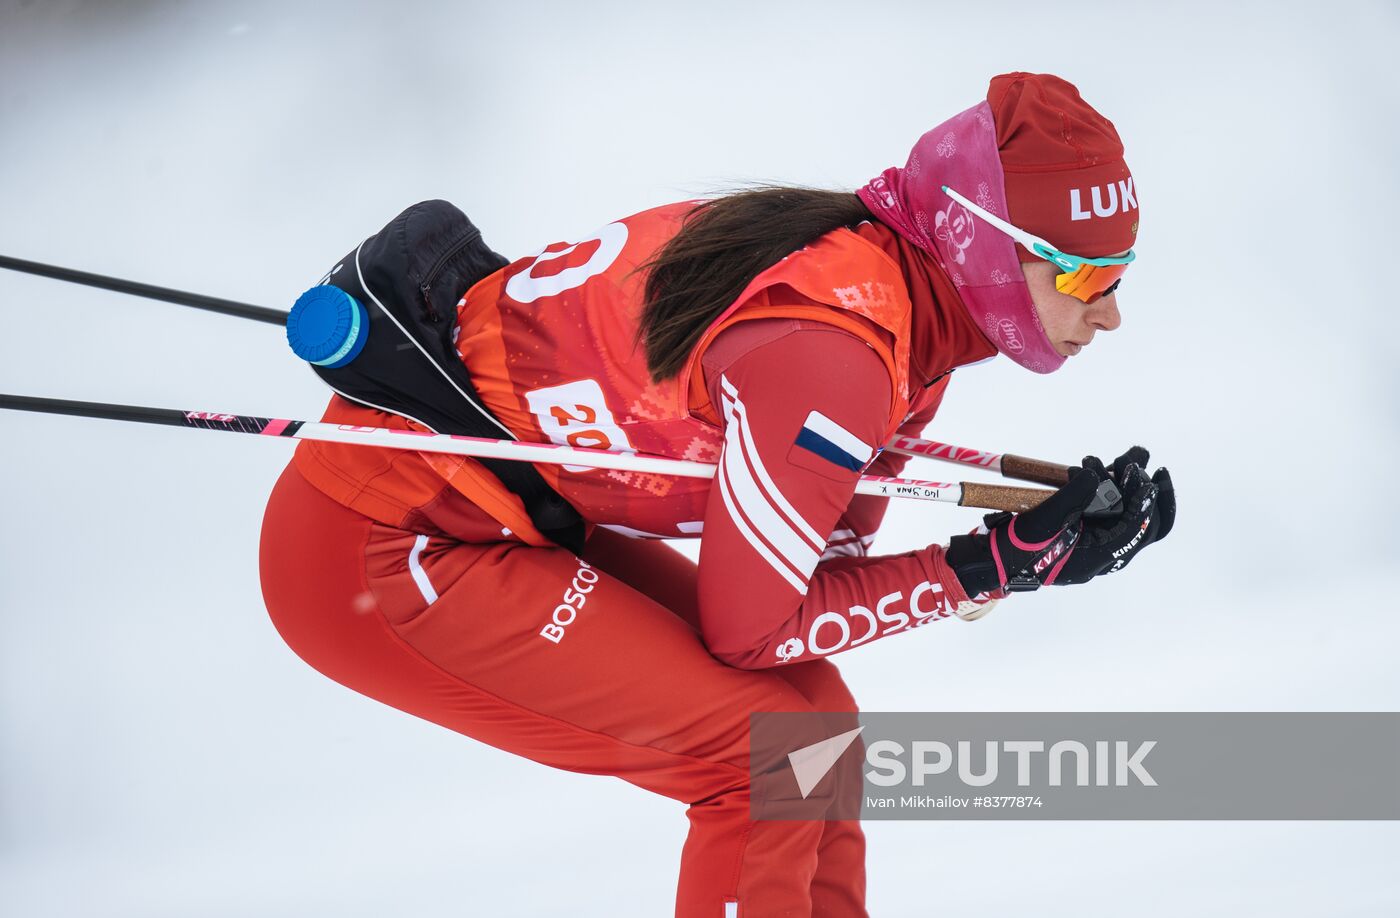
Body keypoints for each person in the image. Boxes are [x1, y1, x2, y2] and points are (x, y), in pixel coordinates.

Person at [258, 72, 1174, 917]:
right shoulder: (837, 353)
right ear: (982, 243)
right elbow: (753, 628)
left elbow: (817, 563)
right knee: (765, 753)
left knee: (820, 723)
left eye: (1121, 272)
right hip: (378, 550)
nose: (1111, 311)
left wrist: (1014, 557)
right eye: (1084, 274)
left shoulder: (892, 297)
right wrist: (987, 569)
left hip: (496, 521)